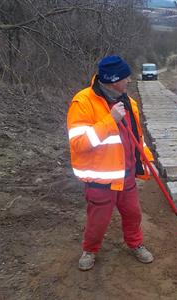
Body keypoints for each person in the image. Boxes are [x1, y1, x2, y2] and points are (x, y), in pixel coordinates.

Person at [67, 55, 155, 271]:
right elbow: (79, 143)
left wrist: (148, 161)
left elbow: (137, 137)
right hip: (101, 179)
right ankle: (90, 249)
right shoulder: (83, 102)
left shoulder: (128, 101)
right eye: (126, 77)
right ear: (113, 80)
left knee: (133, 214)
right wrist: (110, 120)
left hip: (126, 175)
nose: (129, 81)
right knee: (98, 222)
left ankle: (136, 244)